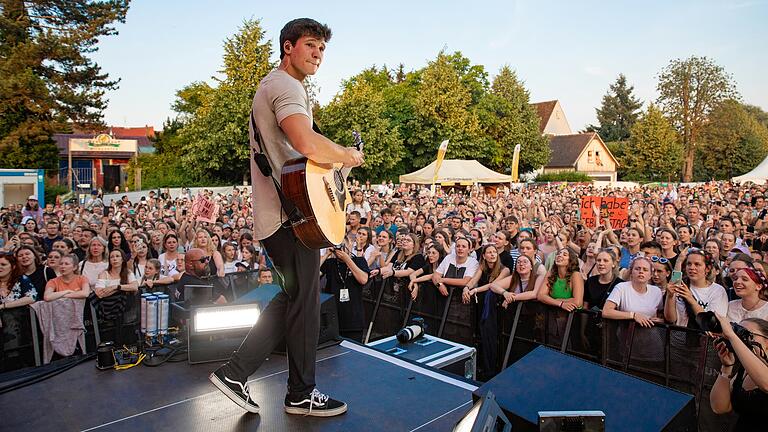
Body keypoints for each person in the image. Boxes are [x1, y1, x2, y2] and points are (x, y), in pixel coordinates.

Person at [210, 18, 361, 417]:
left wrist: (337, 164)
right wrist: (346, 154)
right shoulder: (285, 86)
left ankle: (236, 373)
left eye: (323, 49)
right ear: (288, 47)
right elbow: (306, 143)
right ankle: (300, 393)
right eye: (311, 45)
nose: (318, 54)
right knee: (306, 302)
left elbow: (299, 159)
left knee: (295, 297)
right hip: (289, 218)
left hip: (283, 215)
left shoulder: (276, 87)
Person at [709, 315, 768, 431]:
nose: (739, 339)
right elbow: (719, 407)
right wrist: (726, 368)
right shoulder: (744, 371)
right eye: (738, 333)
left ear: (767, 342)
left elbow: (766, 384)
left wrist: (731, 335)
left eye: (745, 334)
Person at [320, 247, 369, 341]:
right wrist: (327, 255)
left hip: (353, 320)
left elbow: (363, 279)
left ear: (349, 246)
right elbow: (313, 275)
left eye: (342, 246)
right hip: (333, 319)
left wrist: (347, 259)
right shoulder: (330, 263)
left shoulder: (358, 260)